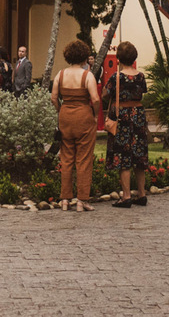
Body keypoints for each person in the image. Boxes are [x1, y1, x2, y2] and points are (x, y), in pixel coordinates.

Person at [53, 39, 101, 212]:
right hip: (83, 116)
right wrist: (94, 114)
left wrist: (61, 111)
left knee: (66, 159)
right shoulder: (87, 76)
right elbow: (95, 99)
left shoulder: (60, 74)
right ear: (83, 57)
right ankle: (82, 200)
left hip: (65, 115)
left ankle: (65, 199)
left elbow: (53, 97)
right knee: (84, 159)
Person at [103, 41, 149, 208]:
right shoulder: (141, 76)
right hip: (138, 116)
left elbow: (106, 95)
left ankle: (126, 196)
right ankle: (142, 194)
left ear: (119, 58)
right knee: (139, 154)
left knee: (123, 155)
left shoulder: (117, 77)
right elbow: (141, 92)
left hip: (121, 116)